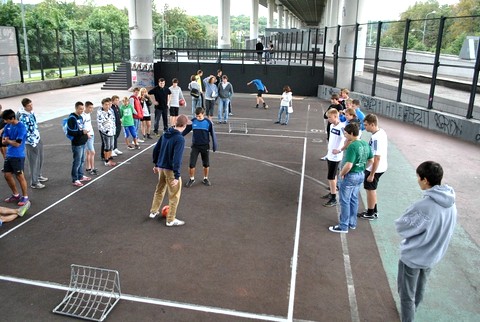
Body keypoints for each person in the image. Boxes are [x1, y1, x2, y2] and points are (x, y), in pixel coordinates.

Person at [395, 161, 457, 322]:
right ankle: (413, 310)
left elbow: (403, 226)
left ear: (425, 180)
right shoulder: (451, 203)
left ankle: (408, 317)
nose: (417, 180)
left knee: (406, 293)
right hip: (433, 255)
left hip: (414, 255)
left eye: (418, 177)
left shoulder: (425, 205)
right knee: (420, 288)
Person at [329, 123, 373, 233]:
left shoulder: (352, 146)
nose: (345, 135)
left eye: (346, 133)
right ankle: (352, 223)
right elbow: (371, 160)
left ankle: (343, 226)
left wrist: (342, 174)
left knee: (345, 201)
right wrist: (362, 168)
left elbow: (348, 165)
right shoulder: (365, 144)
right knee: (354, 199)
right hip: (360, 175)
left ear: (352, 133)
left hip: (350, 176)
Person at [148, 114, 189, 227]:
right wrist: (177, 176)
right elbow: (177, 158)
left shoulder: (166, 133)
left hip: (161, 168)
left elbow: (156, 149)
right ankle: (170, 219)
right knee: (174, 195)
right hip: (170, 170)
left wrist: (156, 164)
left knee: (159, 189)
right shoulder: (180, 139)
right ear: (184, 125)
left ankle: (153, 211)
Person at [358, 114, 388, 220]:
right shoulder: (380, 132)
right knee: (372, 189)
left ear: (372, 124)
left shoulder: (376, 138)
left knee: (370, 189)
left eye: (366, 125)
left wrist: (372, 174)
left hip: (375, 168)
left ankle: (370, 213)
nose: (365, 127)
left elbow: (377, 157)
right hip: (379, 167)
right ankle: (374, 211)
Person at [17, 98, 48, 189]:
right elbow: (24, 131)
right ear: (24, 106)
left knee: (40, 158)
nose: (31, 107)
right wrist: (31, 142)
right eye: (29, 106)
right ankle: (34, 182)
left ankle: (38, 175)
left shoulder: (31, 113)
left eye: (31, 104)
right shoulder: (23, 117)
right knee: (33, 162)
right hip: (31, 142)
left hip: (37, 138)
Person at [183, 107, 218, 188]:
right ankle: (191, 179)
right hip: (195, 146)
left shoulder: (208, 122)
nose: (198, 118)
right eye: (197, 116)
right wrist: (178, 135)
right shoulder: (193, 121)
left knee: (206, 164)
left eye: (199, 116)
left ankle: (205, 178)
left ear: (203, 114)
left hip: (205, 146)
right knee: (192, 164)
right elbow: (185, 130)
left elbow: (213, 134)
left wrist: (215, 145)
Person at [2, 109, 30, 206]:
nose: (5, 122)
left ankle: (25, 196)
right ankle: (16, 194)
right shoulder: (7, 126)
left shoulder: (21, 127)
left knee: (19, 176)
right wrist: (9, 141)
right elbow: (3, 140)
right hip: (9, 155)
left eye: (6, 120)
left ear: (12, 118)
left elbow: (17, 144)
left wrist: (9, 141)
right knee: (7, 175)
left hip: (18, 155)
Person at [322, 109, 346, 207]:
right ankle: (332, 191)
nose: (328, 119)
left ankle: (333, 198)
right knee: (334, 176)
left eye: (330, 117)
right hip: (330, 155)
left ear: (335, 116)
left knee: (331, 177)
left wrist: (339, 150)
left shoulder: (341, 127)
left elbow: (346, 140)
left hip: (335, 157)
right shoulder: (332, 126)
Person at [67, 102, 91, 187]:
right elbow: (70, 131)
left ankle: (80, 175)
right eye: (80, 109)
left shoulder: (80, 117)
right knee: (77, 161)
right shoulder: (72, 118)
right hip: (77, 143)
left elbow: (81, 127)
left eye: (83, 109)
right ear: (76, 108)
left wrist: (85, 133)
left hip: (82, 142)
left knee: (82, 160)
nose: (82, 110)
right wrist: (82, 132)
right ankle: (75, 179)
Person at [97, 98, 117, 167]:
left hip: (112, 131)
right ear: (102, 105)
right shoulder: (100, 112)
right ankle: (106, 160)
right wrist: (105, 131)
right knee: (107, 146)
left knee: (111, 146)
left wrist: (114, 129)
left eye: (108, 104)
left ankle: (109, 158)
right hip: (105, 132)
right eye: (106, 105)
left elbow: (113, 120)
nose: (107, 106)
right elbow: (100, 124)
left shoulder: (111, 110)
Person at [83, 101, 98, 175]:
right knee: (92, 152)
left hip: (91, 134)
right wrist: (87, 134)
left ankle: (88, 167)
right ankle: (92, 168)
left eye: (92, 108)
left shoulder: (88, 114)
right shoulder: (83, 115)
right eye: (90, 108)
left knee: (88, 152)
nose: (91, 109)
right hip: (88, 135)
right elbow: (82, 127)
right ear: (86, 107)